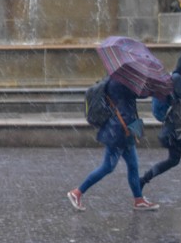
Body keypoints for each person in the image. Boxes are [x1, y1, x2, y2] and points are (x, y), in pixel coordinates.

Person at [67, 77, 160, 211]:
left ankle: (139, 200)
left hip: (124, 128)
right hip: (118, 131)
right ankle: (77, 192)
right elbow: (140, 94)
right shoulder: (120, 81)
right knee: (108, 166)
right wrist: (153, 87)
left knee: (133, 165)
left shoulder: (117, 79)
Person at [141, 55, 181, 201]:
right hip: (180, 130)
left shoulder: (175, 78)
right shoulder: (177, 79)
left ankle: (143, 179)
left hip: (175, 130)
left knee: (173, 160)